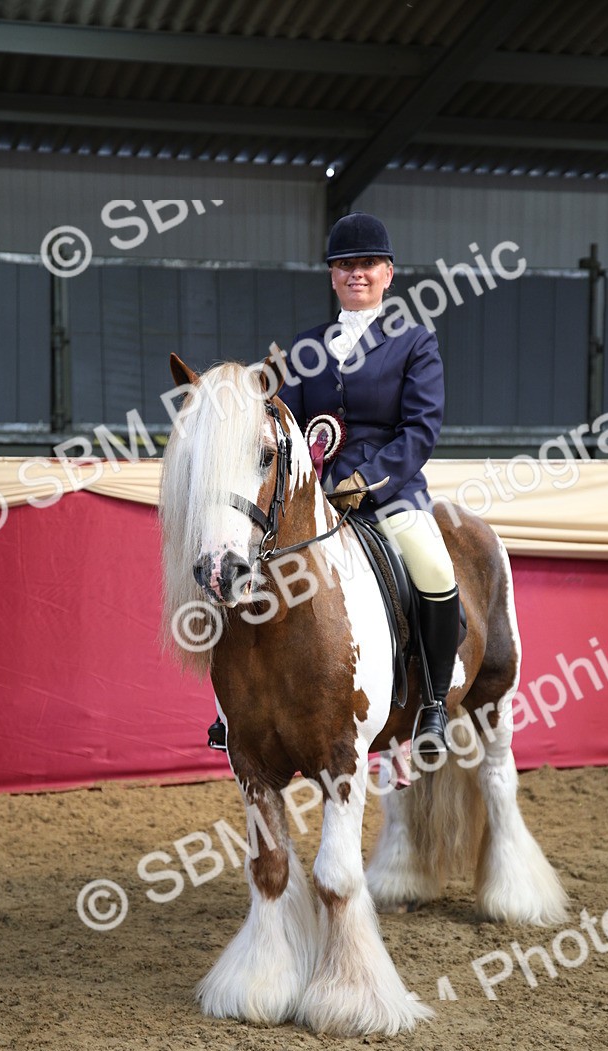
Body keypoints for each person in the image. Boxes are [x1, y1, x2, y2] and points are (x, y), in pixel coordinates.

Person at [206, 212, 459, 758]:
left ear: (388, 274)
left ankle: (434, 703)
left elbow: (421, 429)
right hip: (311, 495)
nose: (356, 274)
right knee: (242, 554)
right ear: (332, 276)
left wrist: (367, 481)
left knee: (433, 566)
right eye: (345, 266)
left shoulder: (415, 342)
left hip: (389, 490)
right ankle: (235, 705)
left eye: (367, 265)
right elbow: (285, 426)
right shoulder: (306, 347)